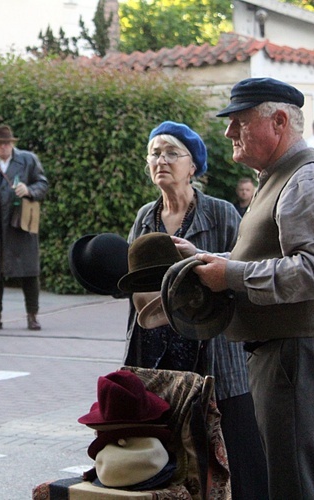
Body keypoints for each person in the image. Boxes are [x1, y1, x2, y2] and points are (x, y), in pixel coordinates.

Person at [123, 121, 268, 499]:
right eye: (154, 153)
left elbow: (242, 269)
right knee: (168, 451)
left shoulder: (220, 213)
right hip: (157, 347)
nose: (161, 160)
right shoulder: (145, 217)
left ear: (194, 165)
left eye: (172, 153)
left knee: (236, 452)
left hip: (215, 348)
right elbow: (134, 282)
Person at [186, 77, 314, 498]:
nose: (228, 133)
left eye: (239, 122)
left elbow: (310, 269)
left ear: (279, 121)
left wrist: (232, 276)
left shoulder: (301, 179)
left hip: (291, 357)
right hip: (282, 356)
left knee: (292, 482)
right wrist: (225, 264)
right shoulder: (279, 177)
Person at [0, 124, 48, 331]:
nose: (3, 147)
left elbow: (43, 184)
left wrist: (29, 190)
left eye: (6, 143)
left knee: (29, 271)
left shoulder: (28, 160)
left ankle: (32, 316)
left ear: (12, 143)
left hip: (19, 224)